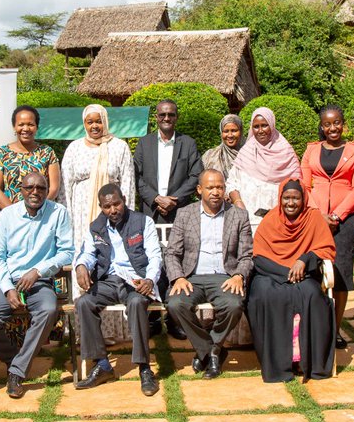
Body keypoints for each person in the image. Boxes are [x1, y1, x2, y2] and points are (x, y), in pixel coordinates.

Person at [0, 171, 74, 398]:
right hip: (8, 280)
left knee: (48, 310)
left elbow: (67, 252)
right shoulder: (7, 215)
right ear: (21, 190)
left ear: (47, 190)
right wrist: (7, 288)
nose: (35, 193)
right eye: (29, 188)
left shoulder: (58, 213)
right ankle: (14, 358)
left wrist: (38, 270)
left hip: (40, 281)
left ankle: (17, 372)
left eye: (41, 188)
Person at [72, 183, 163, 396]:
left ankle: (144, 368)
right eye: (107, 206)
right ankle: (102, 365)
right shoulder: (97, 227)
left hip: (136, 280)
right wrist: (81, 266)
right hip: (109, 280)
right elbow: (87, 253)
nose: (113, 210)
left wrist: (149, 279)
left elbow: (155, 256)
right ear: (101, 207)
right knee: (84, 302)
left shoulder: (142, 222)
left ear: (124, 199)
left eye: (116, 204)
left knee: (137, 302)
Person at [164, 169, 254, 378]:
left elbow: (247, 255)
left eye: (220, 187)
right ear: (199, 190)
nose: (216, 192)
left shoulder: (238, 215)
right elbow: (172, 253)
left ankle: (207, 352)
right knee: (175, 305)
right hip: (191, 277)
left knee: (234, 305)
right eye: (210, 187)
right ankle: (213, 352)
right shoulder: (185, 214)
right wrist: (178, 277)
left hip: (225, 277)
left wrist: (239, 275)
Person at [247, 179, 337, 383]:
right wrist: (286, 273)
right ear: (280, 199)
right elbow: (259, 257)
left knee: (313, 295)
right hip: (272, 274)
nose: (291, 202)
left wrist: (304, 259)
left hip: (303, 274)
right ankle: (279, 364)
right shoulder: (271, 219)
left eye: (295, 198)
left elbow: (326, 249)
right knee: (266, 295)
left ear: (303, 199)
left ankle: (307, 362)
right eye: (286, 198)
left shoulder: (313, 218)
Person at [299, 105, 354, 349]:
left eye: (336, 122)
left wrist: (337, 215)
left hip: (347, 219)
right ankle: (318, 324)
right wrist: (320, 214)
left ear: (343, 123)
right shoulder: (311, 150)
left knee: (339, 272)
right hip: (316, 216)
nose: (332, 128)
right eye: (327, 124)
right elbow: (305, 186)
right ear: (322, 126)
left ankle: (336, 328)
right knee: (315, 271)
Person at [134, 98, 202, 338]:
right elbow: (137, 177)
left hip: (179, 212)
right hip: (151, 213)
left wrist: (173, 198)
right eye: (162, 115)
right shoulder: (144, 144)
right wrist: (156, 198)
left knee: (178, 262)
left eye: (170, 115)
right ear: (156, 117)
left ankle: (175, 319)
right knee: (151, 262)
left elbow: (196, 175)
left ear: (176, 117)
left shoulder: (188, 144)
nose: (166, 119)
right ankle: (153, 319)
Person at [60, 104, 136, 246]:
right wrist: (67, 216)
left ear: (105, 122)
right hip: (81, 210)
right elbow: (65, 185)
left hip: (112, 209)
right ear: (84, 124)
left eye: (99, 121)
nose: (94, 126)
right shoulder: (74, 148)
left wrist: (127, 216)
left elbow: (128, 183)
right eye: (90, 122)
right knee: (84, 249)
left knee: (112, 247)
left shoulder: (119, 147)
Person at [229, 107, 302, 232]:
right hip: (246, 222)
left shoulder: (286, 152)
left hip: (277, 222)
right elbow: (232, 182)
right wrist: (238, 201)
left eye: (264, 125)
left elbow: (297, 187)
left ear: (272, 126)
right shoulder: (246, 151)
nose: (260, 130)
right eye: (256, 127)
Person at [0, 105, 61, 221]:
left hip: (40, 218)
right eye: (21, 124)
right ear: (14, 127)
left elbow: (54, 188)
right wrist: (15, 215)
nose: (25, 129)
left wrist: (38, 211)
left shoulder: (47, 153)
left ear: (37, 127)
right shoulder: (2, 153)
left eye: (30, 124)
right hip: (8, 218)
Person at [201, 114, 244, 179]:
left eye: (234, 130)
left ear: (241, 131)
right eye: (226, 131)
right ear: (221, 132)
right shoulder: (210, 156)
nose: (230, 135)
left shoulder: (249, 154)